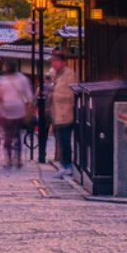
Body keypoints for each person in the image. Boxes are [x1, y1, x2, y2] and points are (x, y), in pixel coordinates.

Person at [48, 50, 78, 180]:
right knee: (60, 139)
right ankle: (64, 165)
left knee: (65, 140)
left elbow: (71, 94)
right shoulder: (56, 74)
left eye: (56, 61)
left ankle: (68, 166)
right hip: (57, 113)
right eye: (52, 61)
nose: (53, 64)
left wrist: (54, 94)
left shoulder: (69, 75)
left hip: (66, 113)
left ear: (63, 62)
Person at [0, 63, 33, 169]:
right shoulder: (22, 79)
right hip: (19, 110)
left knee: (7, 136)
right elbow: (29, 96)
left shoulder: (1, 80)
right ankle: (18, 160)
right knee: (17, 136)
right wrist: (28, 105)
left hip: (5, 111)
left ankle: (8, 160)